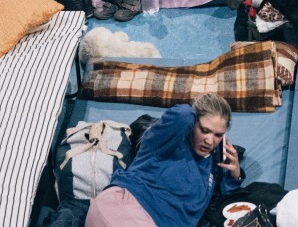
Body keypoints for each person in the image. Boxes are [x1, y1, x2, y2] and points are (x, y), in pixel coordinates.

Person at [86, 94, 242, 227]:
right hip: (125, 207)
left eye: (218, 135)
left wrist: (235, 173)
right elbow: (183, 114)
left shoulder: (212, 162)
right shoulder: (167, 139)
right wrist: (194, 112)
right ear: (193, 124)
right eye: (204, 130)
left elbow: (227, 191)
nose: (209, 141)